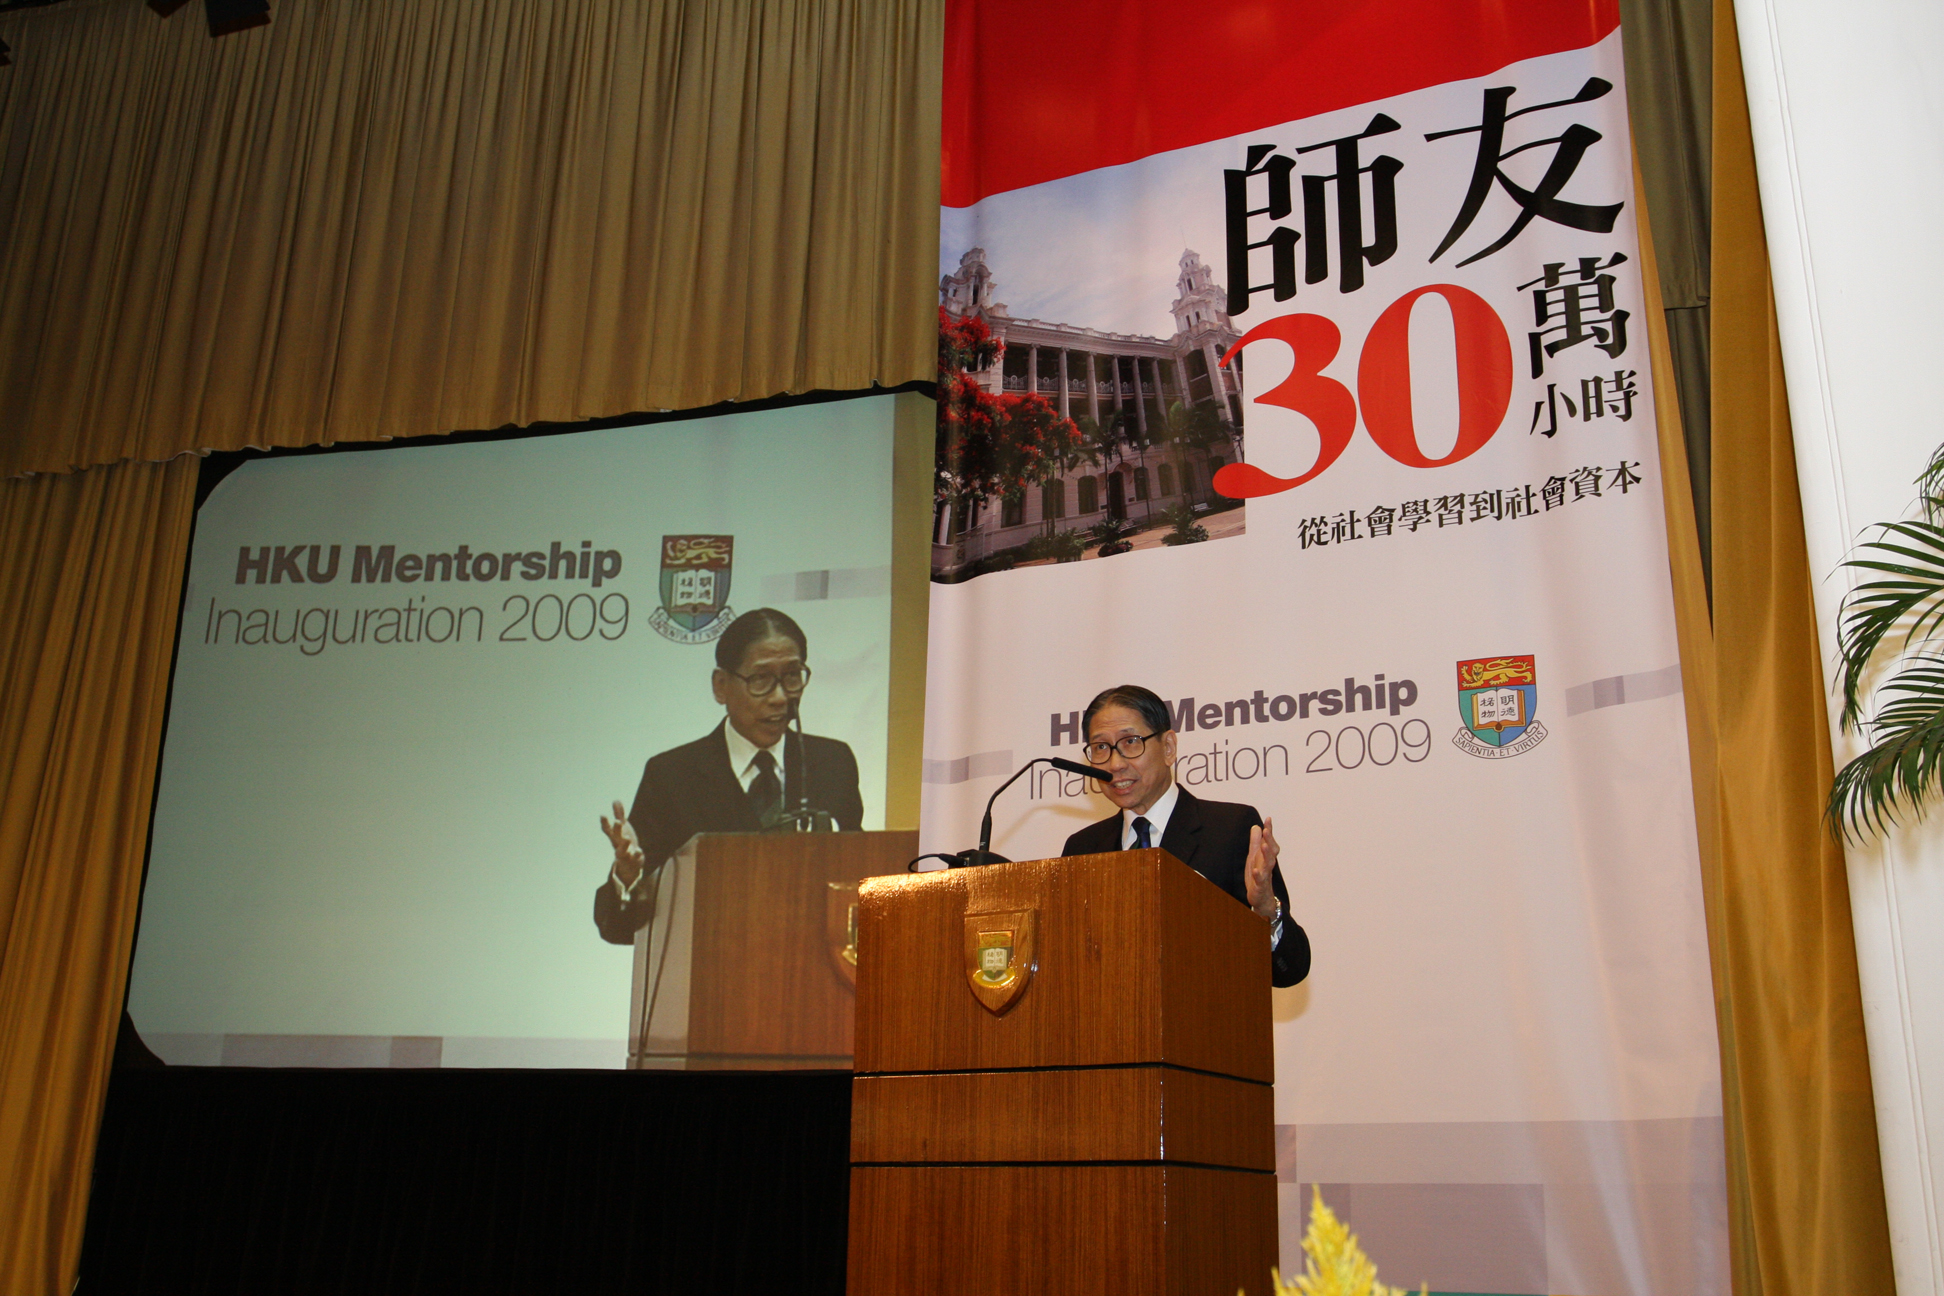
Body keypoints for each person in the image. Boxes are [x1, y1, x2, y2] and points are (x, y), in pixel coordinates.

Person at [592, 608, 863, 944]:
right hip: (712, 968)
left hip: (810, 967)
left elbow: (855, 882)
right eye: (761, 679)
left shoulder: (832, 763)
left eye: (792, 676)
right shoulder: (672, 776)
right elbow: (620, 929)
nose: (780, 697)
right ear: (721, 686)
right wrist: (628, 878)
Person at [1061, 684, 1310, 987]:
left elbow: (1290, 970)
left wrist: (1266, 910)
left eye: (1130, 742)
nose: (1115, 764)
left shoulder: (1231, 829)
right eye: (1101, 747)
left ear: (1168, 747)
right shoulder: (1082, 848)